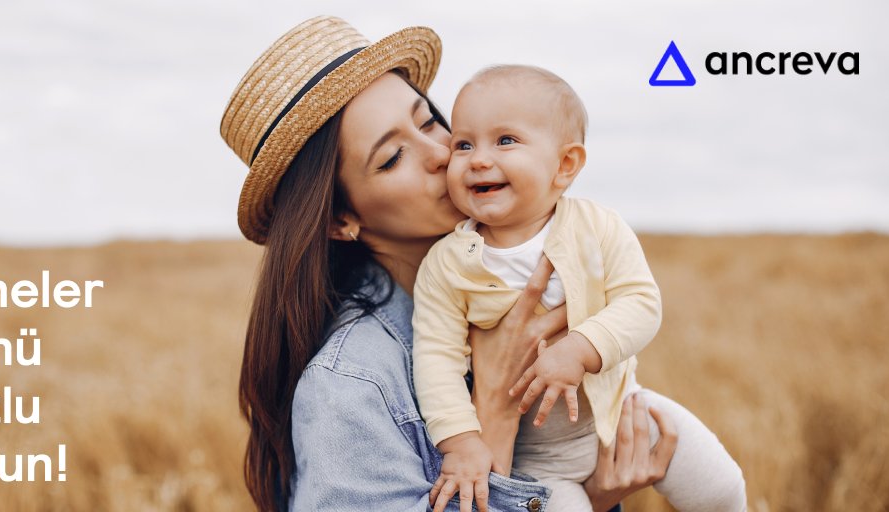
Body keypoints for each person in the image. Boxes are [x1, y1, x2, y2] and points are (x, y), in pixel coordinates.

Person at [220, 16, 678, 512]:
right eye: (394, 156)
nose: (444, 153)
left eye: (430, 122)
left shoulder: (521, 274)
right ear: (340, 218)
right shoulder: (349, 384)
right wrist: (497, 414)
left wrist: (593, 495)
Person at [411, 65, 747, 512]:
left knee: (721, 488)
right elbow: (435, 360)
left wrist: (579, 349)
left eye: (505, 140)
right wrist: (460, 443)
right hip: (539, 459)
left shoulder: (597, 227)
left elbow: (641, 303)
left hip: (623, 411)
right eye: (463, 144)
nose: (478, 159)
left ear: (565, 165)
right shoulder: (447, 264)